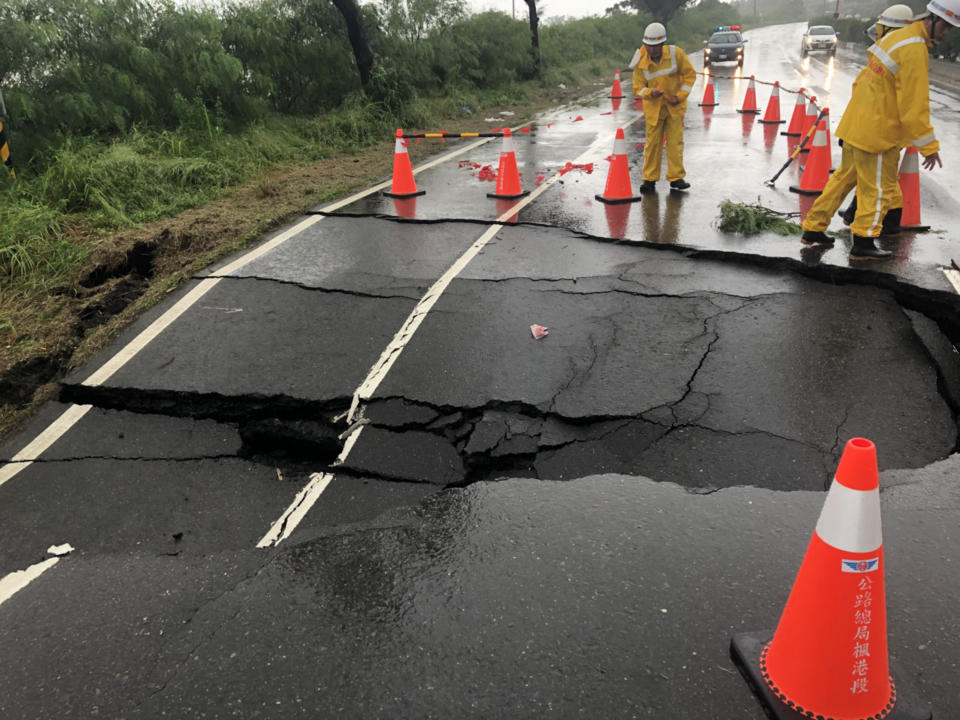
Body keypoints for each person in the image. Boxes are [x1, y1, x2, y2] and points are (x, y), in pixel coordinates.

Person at [801, 1, 955, 259]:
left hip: (856, 126)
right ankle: (863, 242)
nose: (946, 33)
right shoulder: (914, 49)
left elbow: (864, 83)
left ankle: (813, 228)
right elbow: (914, 105)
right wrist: (929, 147)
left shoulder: (897, 38)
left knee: (841, 180)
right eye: (947, 27)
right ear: (932, 19)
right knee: (878, 190)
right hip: (878, 134)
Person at [631, 22, 697, 193]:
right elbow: (638, 87)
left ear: (662, 44)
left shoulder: (676, 54)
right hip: (654, 109)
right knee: (653, 144)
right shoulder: (640, 61)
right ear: (645, 44)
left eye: (655, 46)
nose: (652, 50)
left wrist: (680, 96)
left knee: (675, 143)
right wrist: (650, 92)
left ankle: (676, 178)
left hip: (674, 107)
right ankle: (649, 180)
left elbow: (690, 76)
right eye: (649, 46)